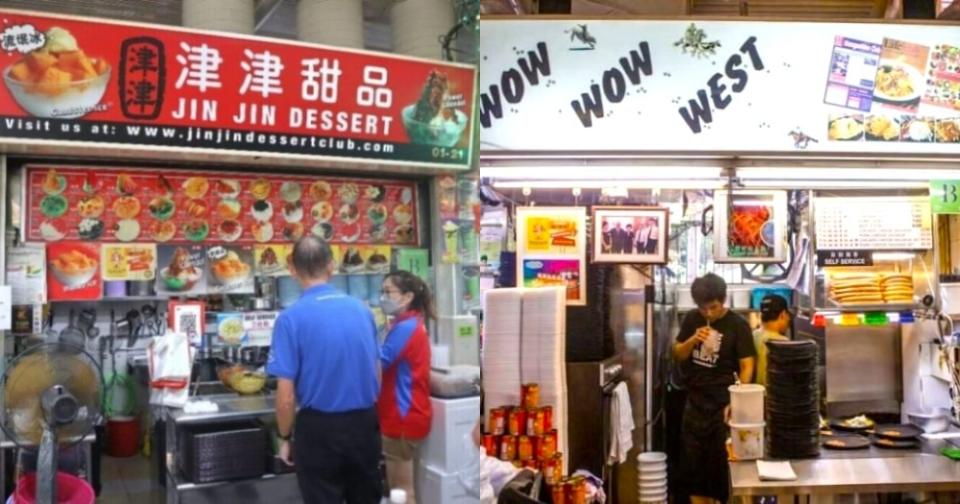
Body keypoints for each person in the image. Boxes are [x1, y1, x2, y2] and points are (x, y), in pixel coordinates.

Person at [267, 236, 382, 503]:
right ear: (331, 266)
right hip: (364, 425)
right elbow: (377, 373)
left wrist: (284, 436)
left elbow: (285, 397)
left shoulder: (290, 319)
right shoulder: (362, 310)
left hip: (318, 430)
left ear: (292, 269)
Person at [673, 273, 756, 504]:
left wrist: (737, 400)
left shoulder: (738, 325)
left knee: (720, 468)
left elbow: (747, 364)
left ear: (724, 299)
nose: (708, 313)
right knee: (693, 468)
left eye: (713, 307)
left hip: (724, 406)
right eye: (703, 308)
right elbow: (677, 353)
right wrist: (692, 340)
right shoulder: (692, 320)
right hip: (695, 403)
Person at [378, 271, 434, 503]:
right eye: (381, 292)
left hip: (402, 417)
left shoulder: (406, 328)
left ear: (407, 296)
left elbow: (380, 361)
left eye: (388, 292)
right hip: (408, 414)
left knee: (401, 491)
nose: (382, 297)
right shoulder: (409, 323)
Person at [753, 295, 791, 387]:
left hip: (753, 393)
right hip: (773, 396)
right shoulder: (782, 342)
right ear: (783, 314)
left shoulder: (753, 335)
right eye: (788, 316)